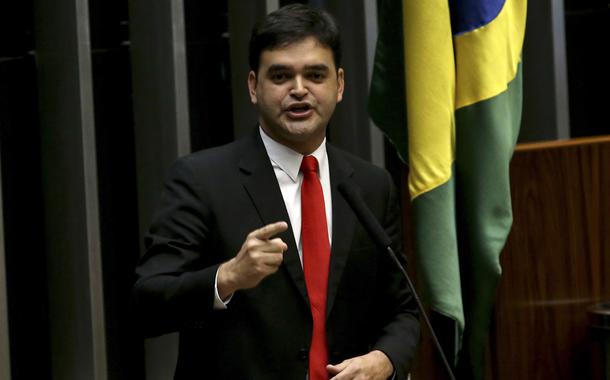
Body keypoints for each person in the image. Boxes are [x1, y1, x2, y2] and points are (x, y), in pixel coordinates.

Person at [132, 4, 420, 379]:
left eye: (315, 75)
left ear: (340, 84)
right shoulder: (201, 179)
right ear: (254, 86)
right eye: (281, 75)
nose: (299, 90)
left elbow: (403, 310)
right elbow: (147, 303)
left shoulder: (370, 185)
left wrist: (385, 360)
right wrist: (228, 276)